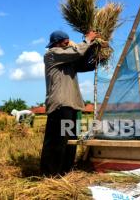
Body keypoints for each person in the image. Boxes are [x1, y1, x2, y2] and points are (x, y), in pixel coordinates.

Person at [40, 30, 101, 176]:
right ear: (57, 43)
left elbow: (84, 64)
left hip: (73, 104)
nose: (68, 45)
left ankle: (65, 171)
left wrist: (96, 50)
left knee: (71, 140)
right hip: (60, 104)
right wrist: (87, 40)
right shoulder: (52, 54)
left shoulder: (68, 61)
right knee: (57, 141)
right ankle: (49, 175)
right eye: (66, 43)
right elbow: (76, 52)